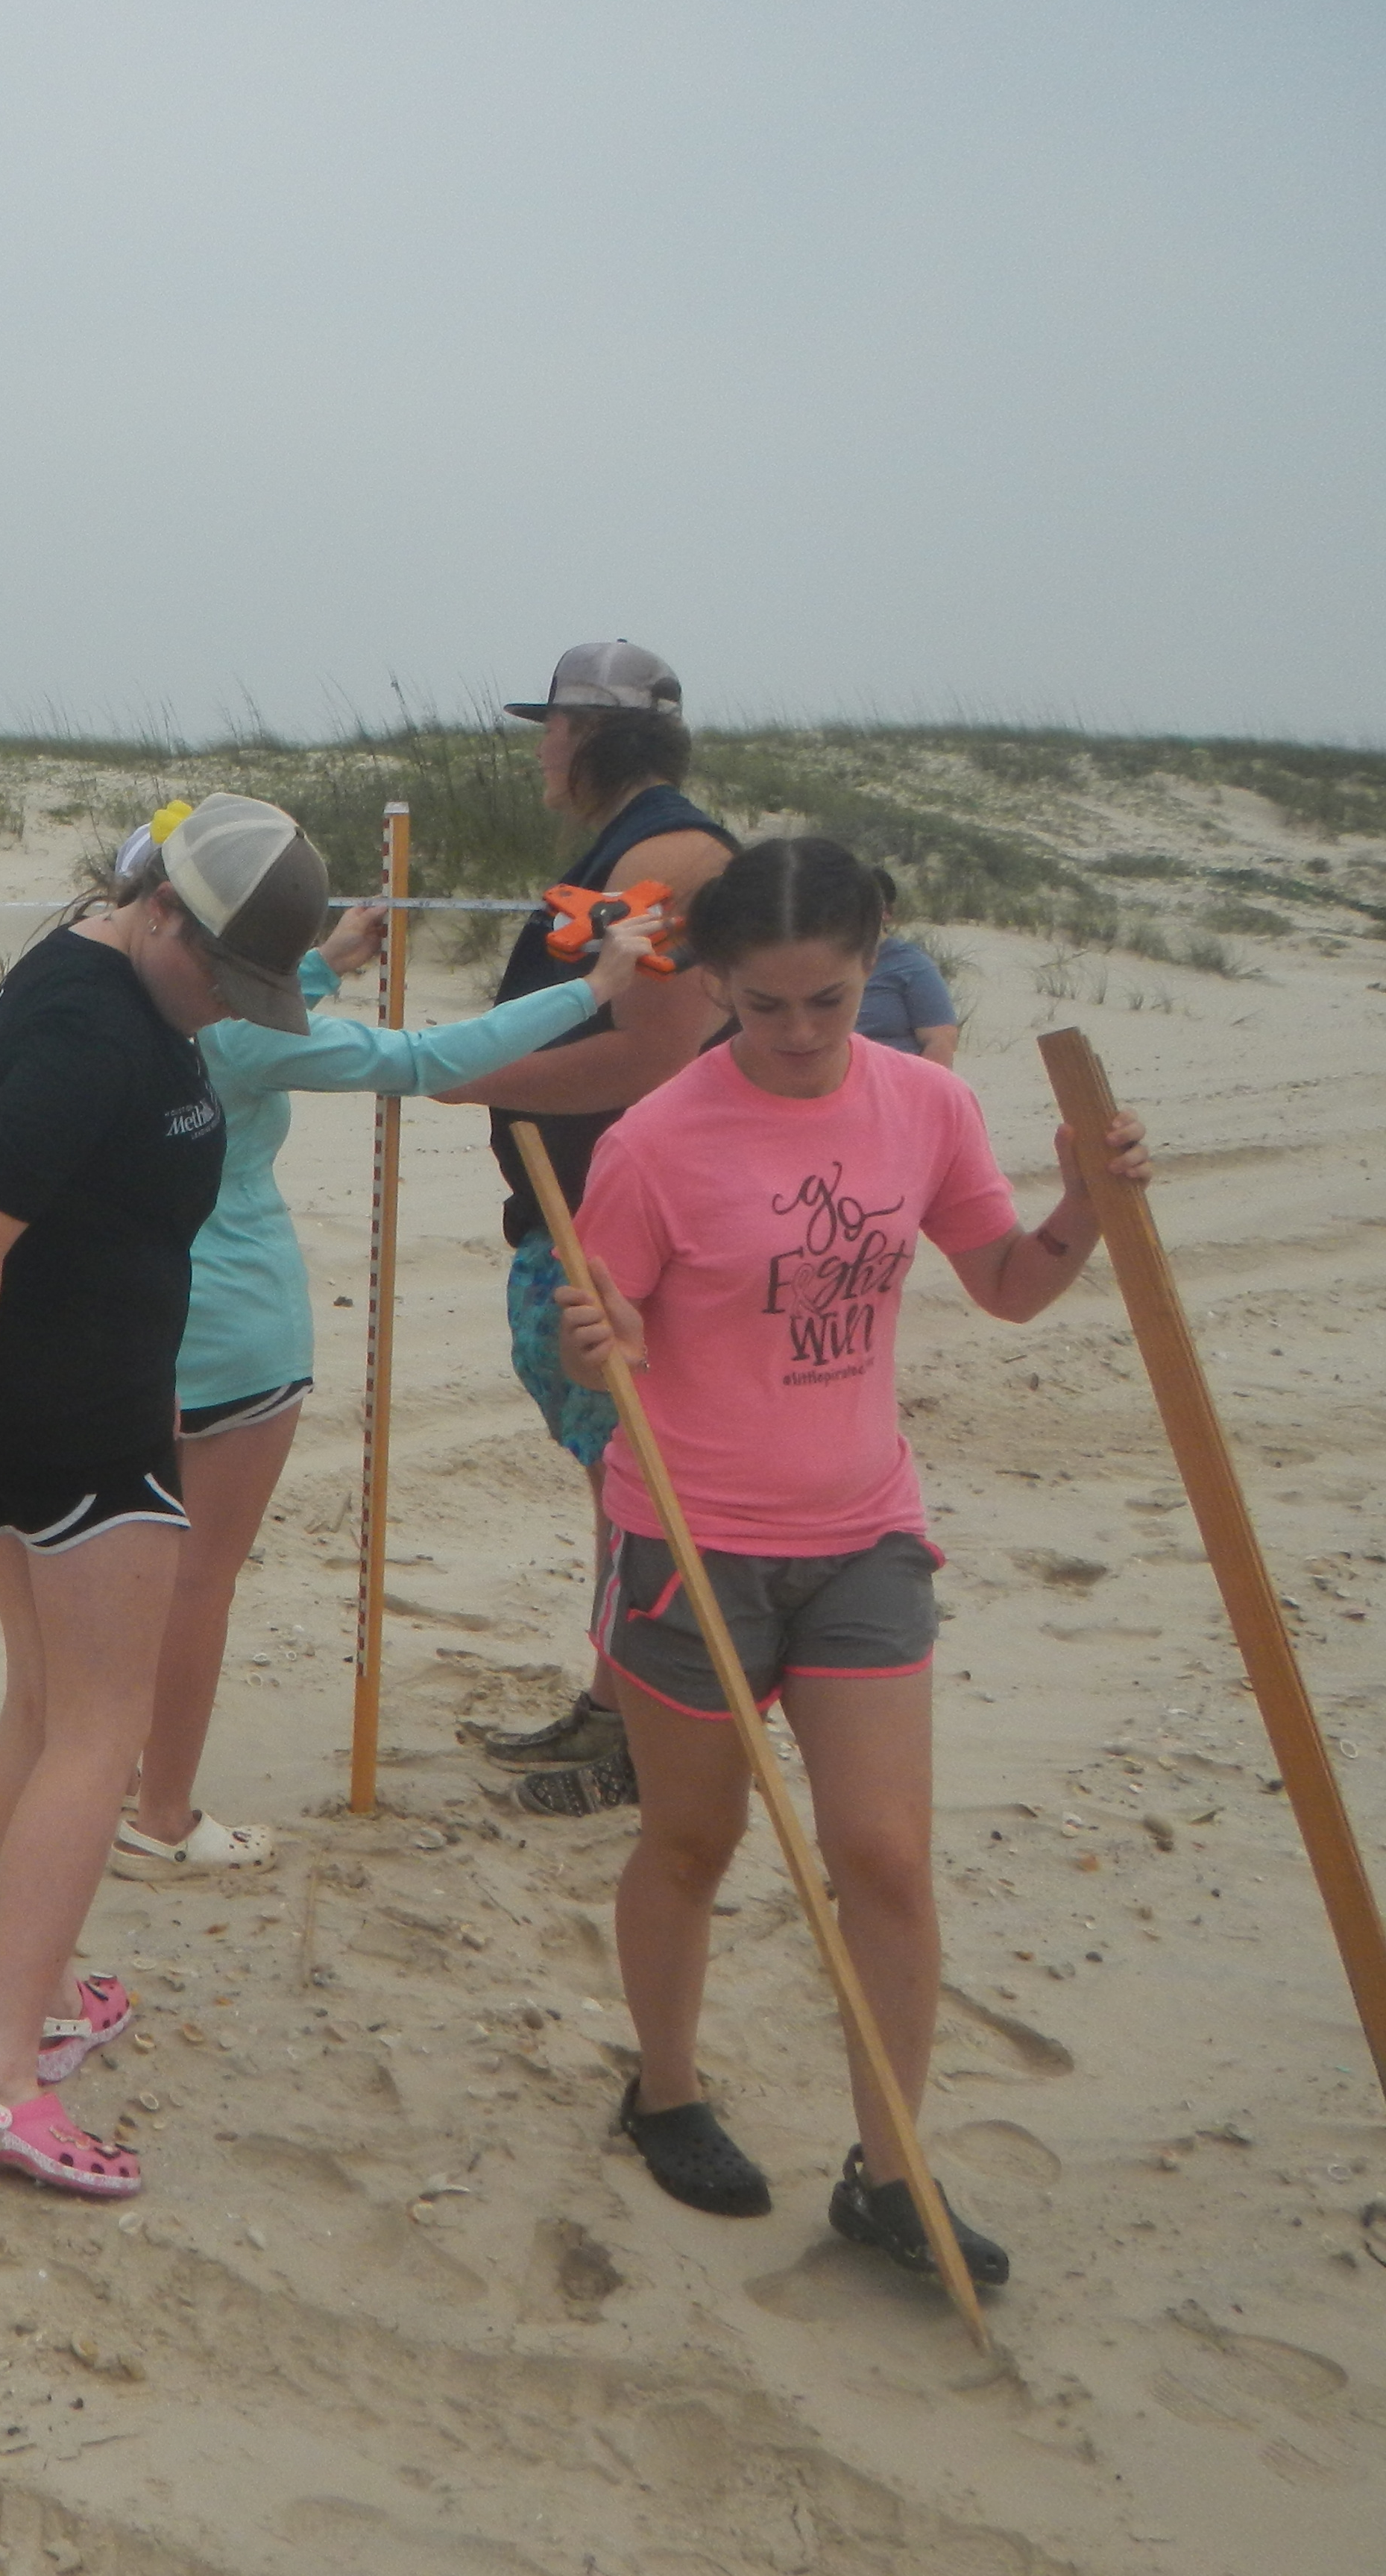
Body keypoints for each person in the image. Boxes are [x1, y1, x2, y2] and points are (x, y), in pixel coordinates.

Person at [552, 837, 1147, 2286]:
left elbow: (1007, 1288)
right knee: (693, 1844)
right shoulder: (655, 1141)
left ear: (876, 959)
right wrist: (601, 1342)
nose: (804, 1034)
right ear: (716, 987)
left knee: (883, 1855)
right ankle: (667, 2090)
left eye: (831, 999)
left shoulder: (928, 1105)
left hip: (865, 1531)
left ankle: (890, 2175)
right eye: (768, 1007)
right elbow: (610, 1337)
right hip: (689, 1540)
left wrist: (1085, 1211)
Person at [0, 794, 327, 2198]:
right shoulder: (84, 1029)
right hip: (72, 1411)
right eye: (217, 976)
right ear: (163, 914)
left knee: (47, 1703)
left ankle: (48, 1998)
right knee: (101, 1733)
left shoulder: (92, 959)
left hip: (64, 1387)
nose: (220, 1011)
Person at [116, 834, 665, 1878]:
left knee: (123, 1571)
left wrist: (328, 960)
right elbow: (424, 1062)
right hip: (236, 1333)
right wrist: (593, 986)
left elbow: (256, 1023)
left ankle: (100, 1778)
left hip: (133, 1325)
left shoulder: (123, 997)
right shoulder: (238, 1037)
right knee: (198, 1585)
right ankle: (165, 1810)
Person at [432, 643, 740, 1814]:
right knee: (619, 1477)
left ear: (594, 735)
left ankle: (646, 1746)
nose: (540, 750)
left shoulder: (666, 854)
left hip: (626, 1211)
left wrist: (460, 1075)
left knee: (646, 1476)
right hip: (579, 1202)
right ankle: (612, 1707)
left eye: (551, 728)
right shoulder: (631, 847)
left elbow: (655, 1051)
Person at [855, 869, 961, 1062]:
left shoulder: (910, 965)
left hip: (894, 1080)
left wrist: (919, 1091)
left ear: (887, 912)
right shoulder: (819, 964)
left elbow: (941, 1040)